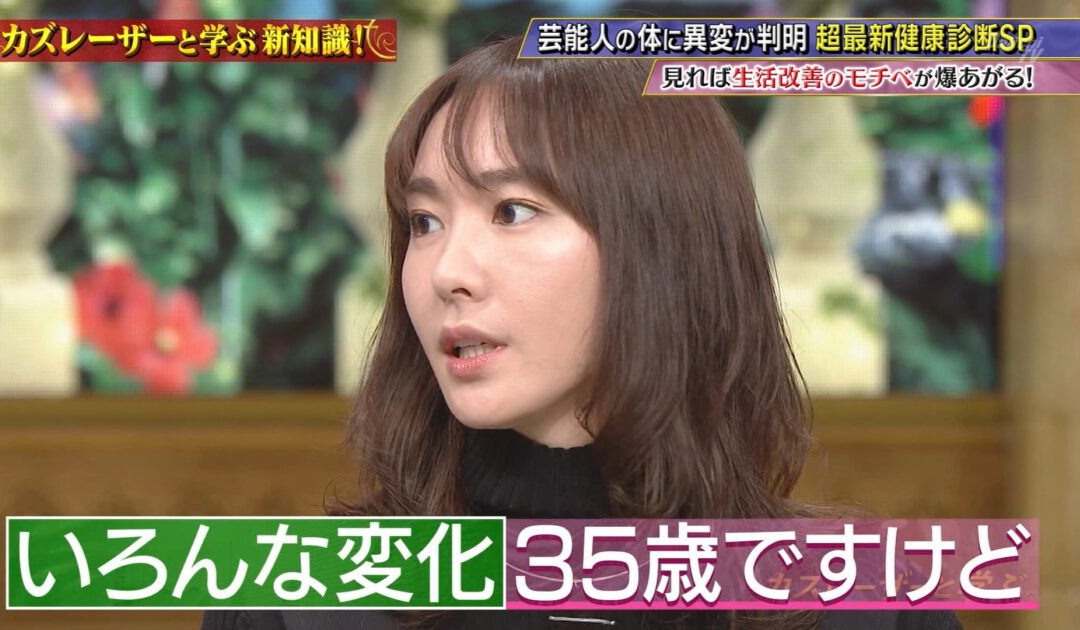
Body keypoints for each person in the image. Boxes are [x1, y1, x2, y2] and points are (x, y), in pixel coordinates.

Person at [203, 35, 963, 630]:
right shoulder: (295, 604)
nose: (445, 272)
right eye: (425, 222)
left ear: (660, 244)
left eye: (511, 211)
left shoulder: (869, 607)